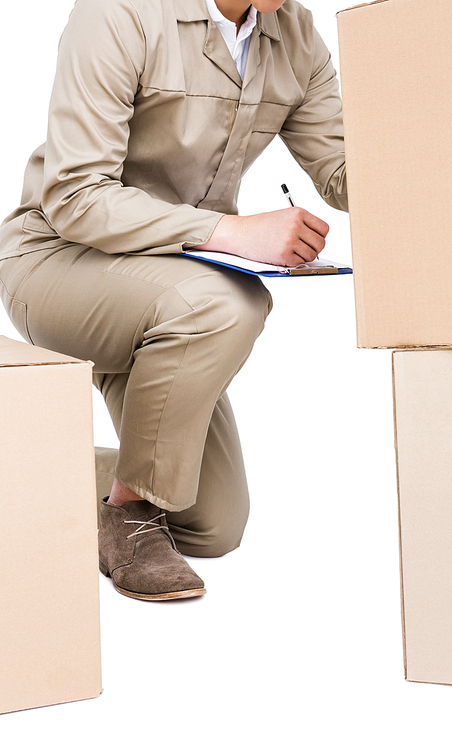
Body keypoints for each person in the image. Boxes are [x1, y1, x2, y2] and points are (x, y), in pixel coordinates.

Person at [0, 0, 348, 601]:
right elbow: (77, 195)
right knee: (229, 303)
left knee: (211, 524)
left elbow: (346, 170)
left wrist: (435, 121)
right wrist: (237, 233)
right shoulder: (118, 13)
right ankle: (130, 512)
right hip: (55, 262)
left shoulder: (295, 33)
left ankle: (37, 463)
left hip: (170, 290)